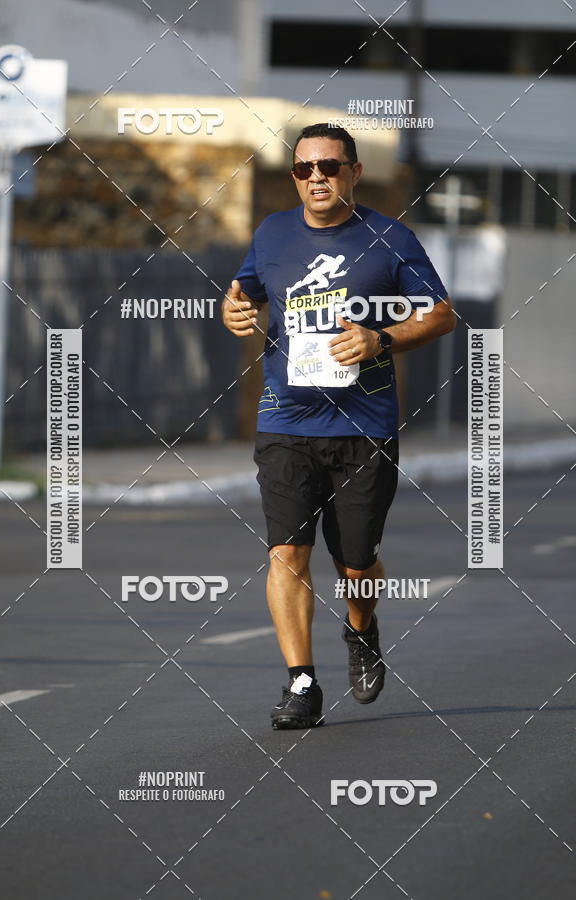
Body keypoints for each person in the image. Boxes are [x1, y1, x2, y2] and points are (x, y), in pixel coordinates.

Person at [222, 123, 455, 729]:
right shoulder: (273, 233)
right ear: (294, 176)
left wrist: (380, 338)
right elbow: (243, 291)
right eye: (304, 169)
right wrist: (234, 308)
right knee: (285, 553)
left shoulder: (389, 237)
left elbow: (441, 314)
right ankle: (302, 685)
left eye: (329, 166)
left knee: (355, 563)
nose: (317, 177)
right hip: (286, 420)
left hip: (363, 428)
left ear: (353, 172)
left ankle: (361, 626)